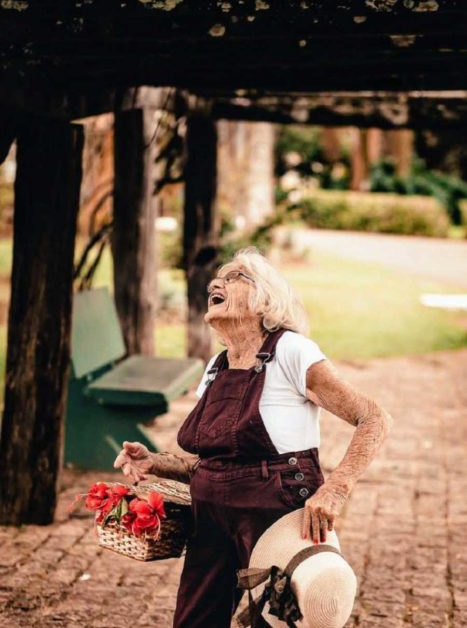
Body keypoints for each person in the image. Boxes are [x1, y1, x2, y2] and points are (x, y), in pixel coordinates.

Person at [114, 246, 393, 627]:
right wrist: (155, 461)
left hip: (274, 512)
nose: (218, 282)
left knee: (276, 621)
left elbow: (374, 417)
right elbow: (214, 464)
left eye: (234, 277)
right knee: (194, 620)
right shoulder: (217, 366)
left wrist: (335, 489)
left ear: (265, 299)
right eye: (219, 278)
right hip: (210, 516)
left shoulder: (291, 351)